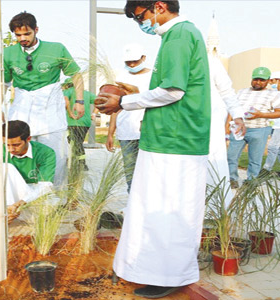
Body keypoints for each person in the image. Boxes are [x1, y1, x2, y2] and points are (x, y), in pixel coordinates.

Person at [94, 1, 211, 297]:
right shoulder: (173, 37)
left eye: (140, 17)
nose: (141, 24)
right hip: (165, 138)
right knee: (151, 209)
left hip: (177, 141)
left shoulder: (181, 35)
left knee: (169, 211)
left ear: (158, 6)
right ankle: (151, 270)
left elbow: (173, 91)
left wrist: (123, 103)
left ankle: (169, 275)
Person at [4, 12, 85, 186]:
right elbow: (3, 83)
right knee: (20, 152)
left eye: (27, 34)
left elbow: (76, 75)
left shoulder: (56, 49)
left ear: (36, 30)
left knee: (55, 154)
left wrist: (79, 101)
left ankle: (55, 196)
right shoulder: (8, 53)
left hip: (50, 108)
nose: (23, 38)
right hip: (22, 107)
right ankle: (24, 194)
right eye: (18, 35)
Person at [0, 120, 56, 236]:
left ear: (28, 139)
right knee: (4, 167)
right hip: (9, 199)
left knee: (48, 210)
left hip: (31, 198)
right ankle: (4, 218)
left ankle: (8, 214)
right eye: (7, 144)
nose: (10, 149)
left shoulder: (46, 153)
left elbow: (45, 186)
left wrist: (20, 203)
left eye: (16, 145)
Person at [106, 43, 152, 193]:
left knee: (148, 171)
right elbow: (115, 108)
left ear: (143, 58)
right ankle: (132, 203)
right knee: (130, 172)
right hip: (126, 132)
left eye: (135, 61)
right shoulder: (122, 77)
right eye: (128, 62)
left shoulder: (153, 76)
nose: (132, 64)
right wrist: (110, 133)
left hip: (146, 131)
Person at [227, 67, 280, 188]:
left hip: (259, 129)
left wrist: (261, 114)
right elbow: (232, 109)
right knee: (231, 156)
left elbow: (278, 111)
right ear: (251, 79)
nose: (258, 82)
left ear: (267, 81)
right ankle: (232, 178)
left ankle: (251, 181)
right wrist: (227, 126)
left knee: (255, 159)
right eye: (256, 79)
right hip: (239, 129)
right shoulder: (241, 91)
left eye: (262, 80)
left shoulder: (273, 94)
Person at [206, 54, 245, 201]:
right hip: (181, 122)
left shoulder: (210, 61)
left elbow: (227, 91)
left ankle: (216, 211)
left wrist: (237, 116)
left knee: (213, 164)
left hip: (210, 121)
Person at [62, 78, 96, 171]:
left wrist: (69, 112)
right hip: (85, 122)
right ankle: (77, 161)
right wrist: (94, 113)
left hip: (72, 121)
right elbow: (98, 101)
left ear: (67, 85)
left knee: (75, 143)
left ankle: (81, 164)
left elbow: (65, 101)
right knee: (78, 142)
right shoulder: (86, 93)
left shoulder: (68, 91)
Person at [261, 71, 280, 174]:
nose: (270, 83)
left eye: (272, 81)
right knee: (279, 149)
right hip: (274, 125)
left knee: (273, 146)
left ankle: (266, 170)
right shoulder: (274, 93)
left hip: (279, 126)